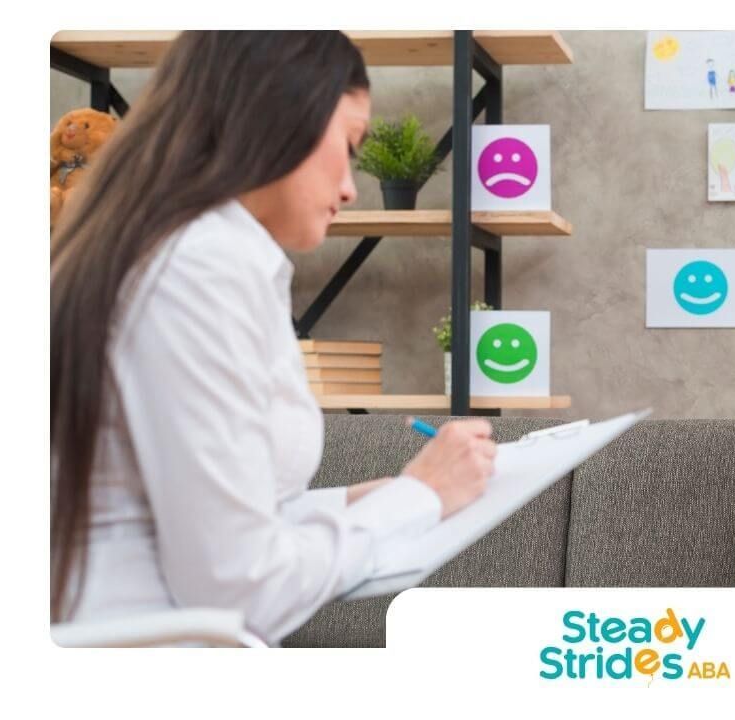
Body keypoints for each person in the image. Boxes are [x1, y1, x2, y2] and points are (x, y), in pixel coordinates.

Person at [49, 31, 494, 645]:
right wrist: (419, 498)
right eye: (348, 146)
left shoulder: (186, 253)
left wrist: (366, 502)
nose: (350, 189)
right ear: (274, 118)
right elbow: (240, 587)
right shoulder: (197, 269)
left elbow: (189, 521)